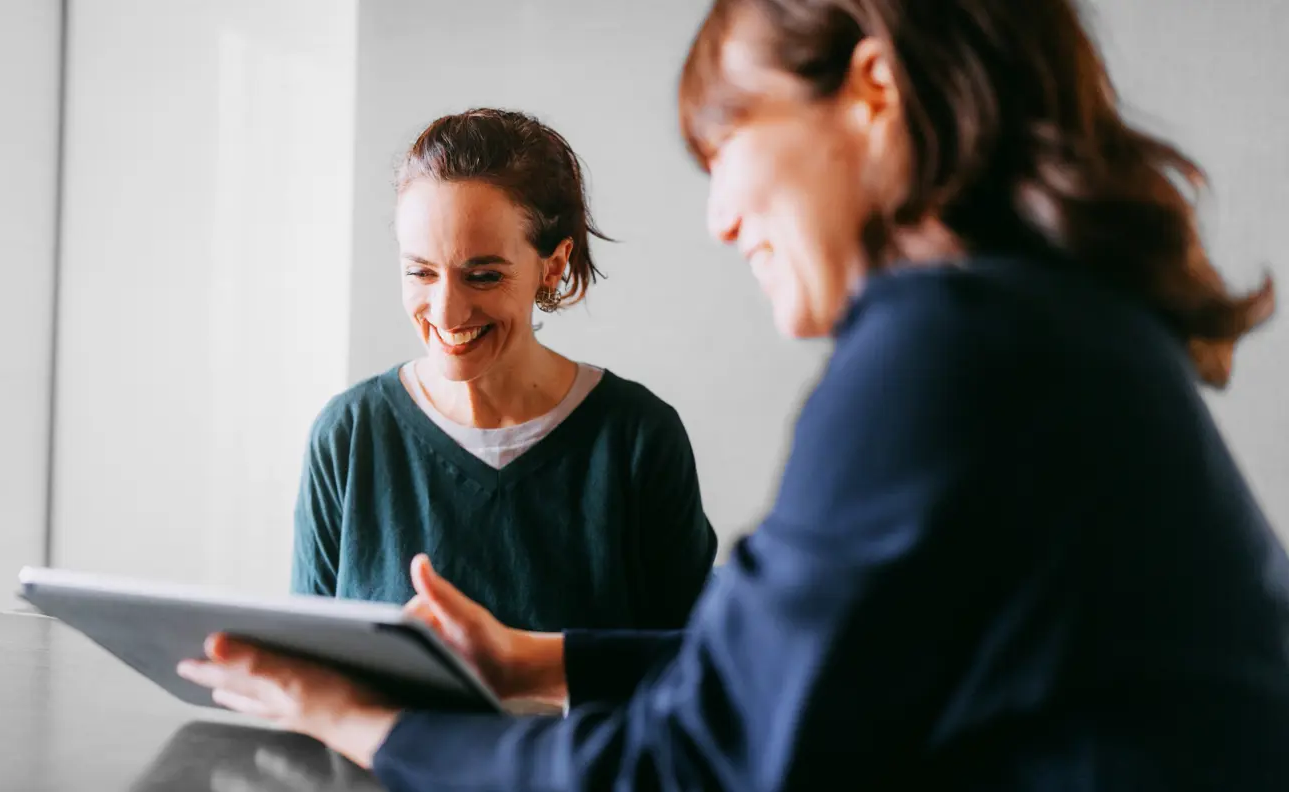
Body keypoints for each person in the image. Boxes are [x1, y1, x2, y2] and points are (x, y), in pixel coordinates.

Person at [179, 0, 1289, 788]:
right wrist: (535, 659)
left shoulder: (949, 350)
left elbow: (699, 761)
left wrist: (370, 725)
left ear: (872, 91)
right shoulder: (1037, 321)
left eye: (729, 143)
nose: (718, 214)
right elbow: (788, 676)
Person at [289, 108, 717, 633]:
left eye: (484, 276)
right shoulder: (349, 435)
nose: (446, 313)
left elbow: (698, 671)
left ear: (553, 266)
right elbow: (311, 669)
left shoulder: (637, 439)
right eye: (420, 272)